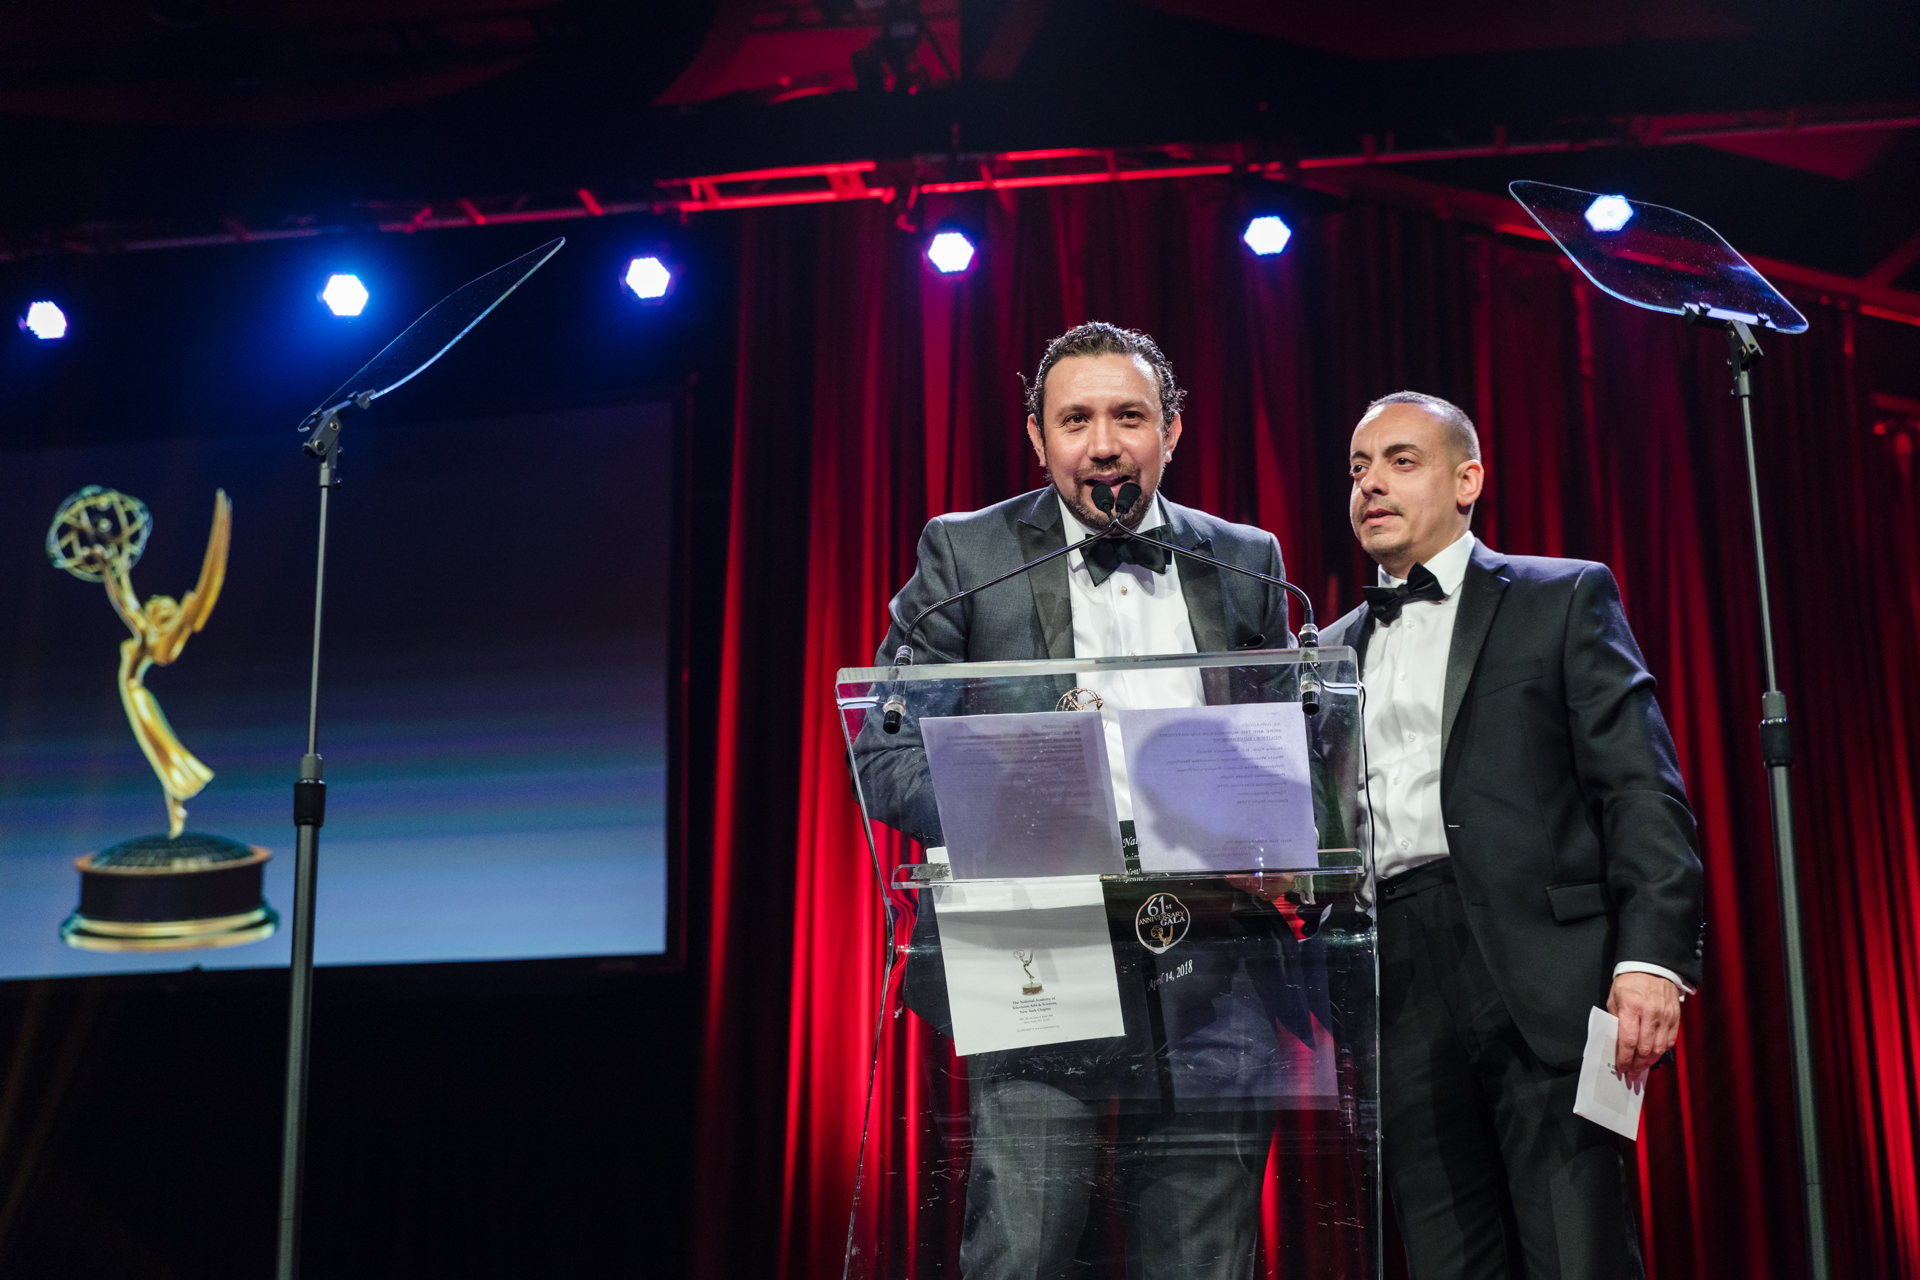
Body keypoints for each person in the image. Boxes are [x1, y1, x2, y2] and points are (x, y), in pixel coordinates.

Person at [858, 322, 1306, 1280]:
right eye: (1076, 420)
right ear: (1038, 437)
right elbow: (885, 753)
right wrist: (1033, 816)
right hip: (1036, 939)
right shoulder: (967, 553)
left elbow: (1293, 754)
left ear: (1172, 430)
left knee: (1205, 1258)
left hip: (1214, 945)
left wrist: (1278, 831)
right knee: (1024, 1248)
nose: (1104, 443)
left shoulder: (1246, 559)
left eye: (1129, 417)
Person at [1320, 391, 1704, 1279]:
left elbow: (1640, 788)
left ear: (1468, 481)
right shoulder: (1329, 650)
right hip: (1393, 974)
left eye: (1401, 461)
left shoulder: (1562, 595)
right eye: (1359, 468)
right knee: (1446, 1259)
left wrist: (1651, 960)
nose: (1371, 484)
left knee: (1579, 1252)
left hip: (1549, 974)